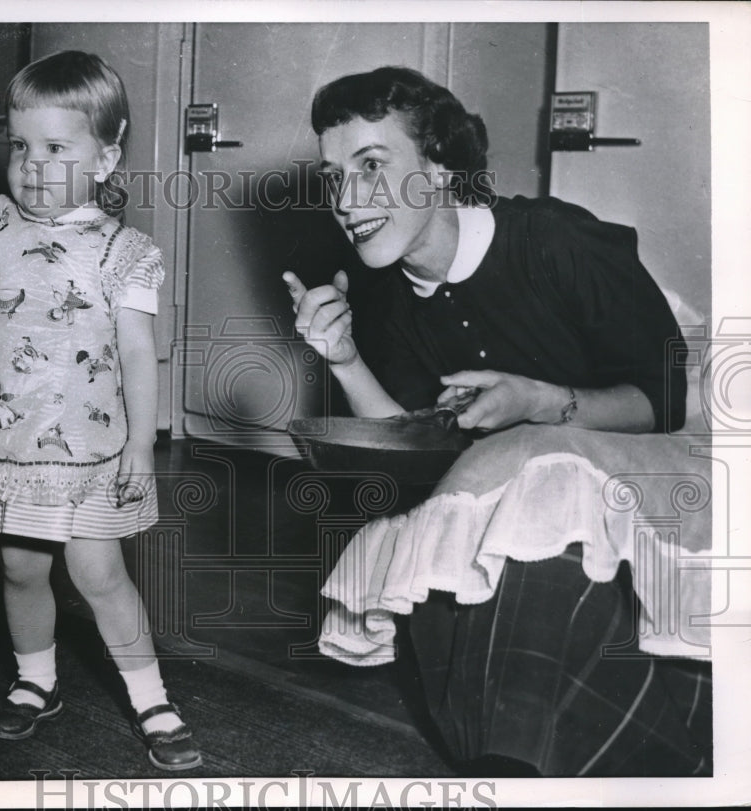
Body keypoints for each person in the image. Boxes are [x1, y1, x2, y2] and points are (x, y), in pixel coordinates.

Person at [285, 66, 711, 776]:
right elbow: (416, 448)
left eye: (371, 167)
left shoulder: (555, 241)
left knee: (535, 572)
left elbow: (664, 402)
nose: (346, 201)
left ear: (442, 167)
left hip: (643, 486)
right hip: (500, 506)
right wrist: (345, 357)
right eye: (333, 177)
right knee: (475, 613)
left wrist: (542, 404)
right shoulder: (388, 299)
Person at [0, 50, 201, 771]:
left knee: (99, 574)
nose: (32, 165)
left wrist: (138, 447)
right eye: (20, 145)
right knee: (20, 568)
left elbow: (136, 354)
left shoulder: (124, 252)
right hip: (2, 444)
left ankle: (152, 695)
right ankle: (37, 680)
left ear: (107, 156)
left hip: (88, 450)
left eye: (57, 148)